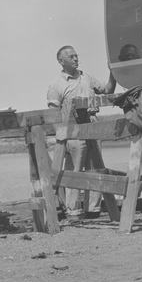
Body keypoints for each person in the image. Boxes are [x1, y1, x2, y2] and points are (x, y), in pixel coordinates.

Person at [46, 46, 116, 218]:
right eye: (71, 57)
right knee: (74, 171)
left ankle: (92, 209)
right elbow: (52, 114)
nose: (75, 59)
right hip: (72, 129)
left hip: (92, 125)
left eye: (76, 55)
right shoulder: (57, 85)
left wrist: (113, 72)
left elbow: (107, 90)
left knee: (95, 168)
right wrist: (62, 136)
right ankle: (73, 210)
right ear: (61, 61)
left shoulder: (88, 78)